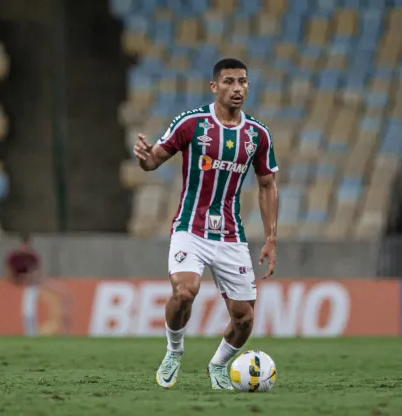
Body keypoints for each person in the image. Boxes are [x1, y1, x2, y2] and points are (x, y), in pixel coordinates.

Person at [133, 58, 279, 390]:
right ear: (214, 87)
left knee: (244, 319)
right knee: (185, 291)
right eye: (229, 81)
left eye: (242, 81)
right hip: (190, 227)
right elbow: (154, 158)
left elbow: (268, 185)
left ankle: (218, 366)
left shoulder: (257, 135)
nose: (237, 88)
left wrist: (271, 237)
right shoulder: (192, 123)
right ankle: (173, 351)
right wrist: (144, 160)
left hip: (231, 235)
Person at [5, 233, 70, 335]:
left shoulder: (32, 256)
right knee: (27, 312)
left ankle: (32, 333)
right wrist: (19, 280)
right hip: (19, 284)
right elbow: (10, 273)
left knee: (30, 311)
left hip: (30, 284)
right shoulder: (14, 257)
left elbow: (37, 273)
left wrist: (29, 278)